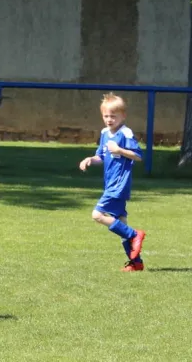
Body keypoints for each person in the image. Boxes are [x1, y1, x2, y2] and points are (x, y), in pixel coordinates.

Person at [79, 92, 146, 272]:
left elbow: (138, 156)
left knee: (97, 215)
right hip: (110, 183)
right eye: (106, 116)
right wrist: (90, 160)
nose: (109, 119)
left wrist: (120, 149)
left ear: (123, 116)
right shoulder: (104, 133)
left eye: (113, 116)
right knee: (121, 222)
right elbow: (101, 156)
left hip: (119, 183)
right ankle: (136, 263)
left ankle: (135, 235)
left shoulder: (125, 133)